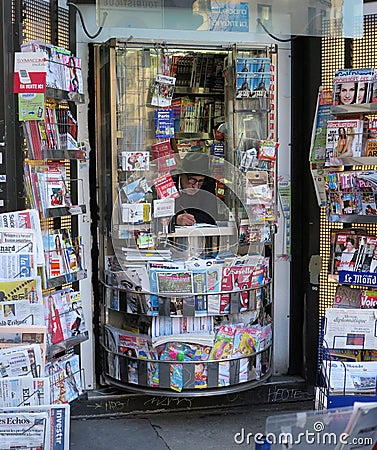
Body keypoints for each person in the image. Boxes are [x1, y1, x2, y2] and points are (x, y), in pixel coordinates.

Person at [172, 152, 218, 226]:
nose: (196, 186)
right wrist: (175, 219)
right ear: (181, 174)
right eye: (192, 180)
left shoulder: (208, 183)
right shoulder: (170, 183)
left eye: (200, 181)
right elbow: (159, 215)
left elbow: (211, 215)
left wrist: (189, 219)